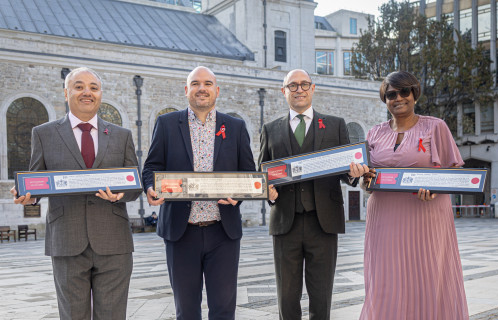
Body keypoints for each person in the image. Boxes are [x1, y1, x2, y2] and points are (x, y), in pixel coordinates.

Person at [11, 67, 141, 320]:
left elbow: (135, 185)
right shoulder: (44, 133)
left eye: (93, 87)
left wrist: (120, 195)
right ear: (66, 92)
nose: (87, 93)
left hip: (113, 240)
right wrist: (28, 194)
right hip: (67, 239)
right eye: (79, 86)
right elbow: (37, 180)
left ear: (100, 94)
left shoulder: (122, 135)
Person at [142, 66, 255, 319]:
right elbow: (152, 166)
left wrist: (239, 194)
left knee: (224, 310)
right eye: (195, 83)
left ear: (217, 90)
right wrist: (150, 186)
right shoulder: (167, 124)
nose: (201, 88)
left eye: (206, 83)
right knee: (186, 311)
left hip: (222, 231)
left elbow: (249, 172)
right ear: (186, 90)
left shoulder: (235, 127)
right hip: (181, 232)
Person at [257, 69, 368, 320]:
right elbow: (261, 175)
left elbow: (345, 171)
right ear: (283, 91)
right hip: (285, 222)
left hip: (324, 223)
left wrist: (354, 173)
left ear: (313, 88)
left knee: (321, 296)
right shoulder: (270, 129)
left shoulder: (335, 125)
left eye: (304, 84)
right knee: (286, 297)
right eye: (292, 86)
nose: (299, 89)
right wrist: (267, 192)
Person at [360, 71, 469, 319]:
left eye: (404, 92)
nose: (398, 98)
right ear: (385, 99)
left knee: (426, 276)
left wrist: (435, 190)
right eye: (391, 94)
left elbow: (454, 170)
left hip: (425, 215)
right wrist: (364, 180)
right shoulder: (374, 133)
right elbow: (367, 181)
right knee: (385, 280)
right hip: (383, 218)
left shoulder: (435, 126)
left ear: (414, 94)